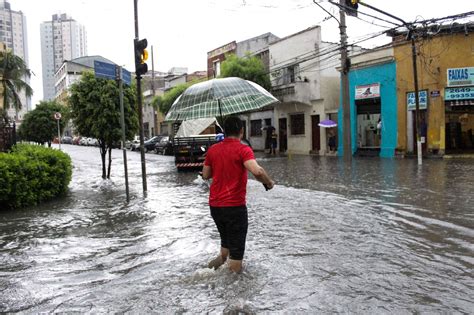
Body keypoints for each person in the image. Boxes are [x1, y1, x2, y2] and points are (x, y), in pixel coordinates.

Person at [202, 116, 274, 273]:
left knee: (225, 251)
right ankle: (231, 291)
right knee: (236, 259)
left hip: (215, 207)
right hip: (234, 208)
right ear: (242, 131)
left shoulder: (213, 150)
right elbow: (257, 171)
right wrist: (268, 182)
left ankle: (208, 270)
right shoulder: (243, 150)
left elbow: (206, 175)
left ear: (224, 131)